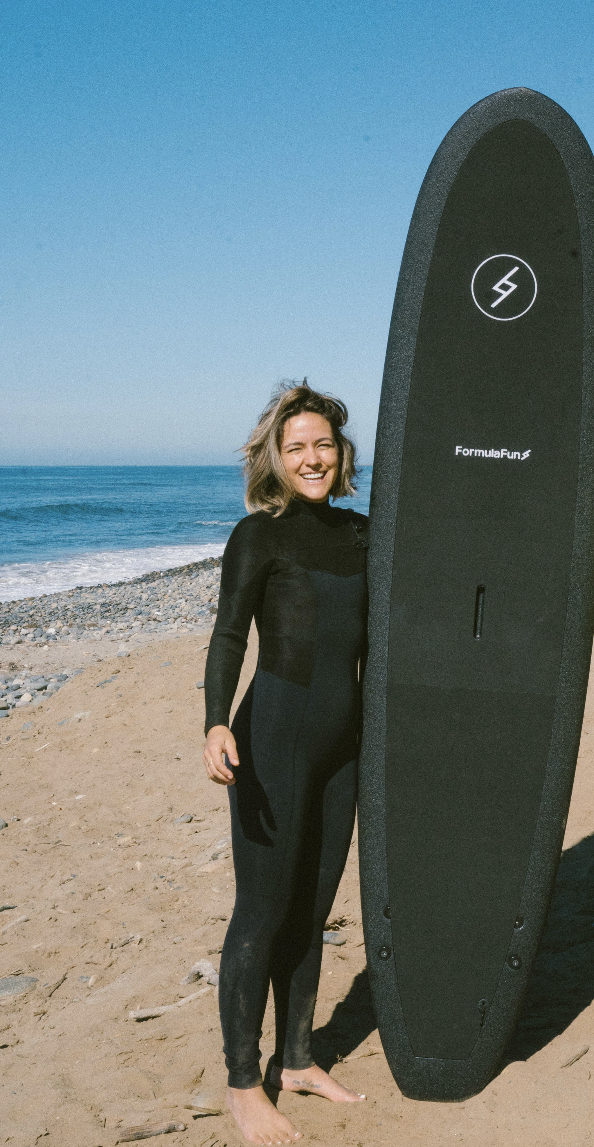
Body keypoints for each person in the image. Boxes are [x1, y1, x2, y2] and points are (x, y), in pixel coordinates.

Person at [202, 380, 369, 1145]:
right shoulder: (259, 535)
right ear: (276, 456)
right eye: (296, 446)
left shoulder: (367, 534)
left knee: (312, 910)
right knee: (263, 912)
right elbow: (230, 635)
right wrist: (213, 722)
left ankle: (298, 1058)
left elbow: (455, 573)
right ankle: (244, 1082)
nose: (312, 458)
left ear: (342, 455)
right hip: (271, 739)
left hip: (345, 747)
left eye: (323, 445)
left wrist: (586, 561)